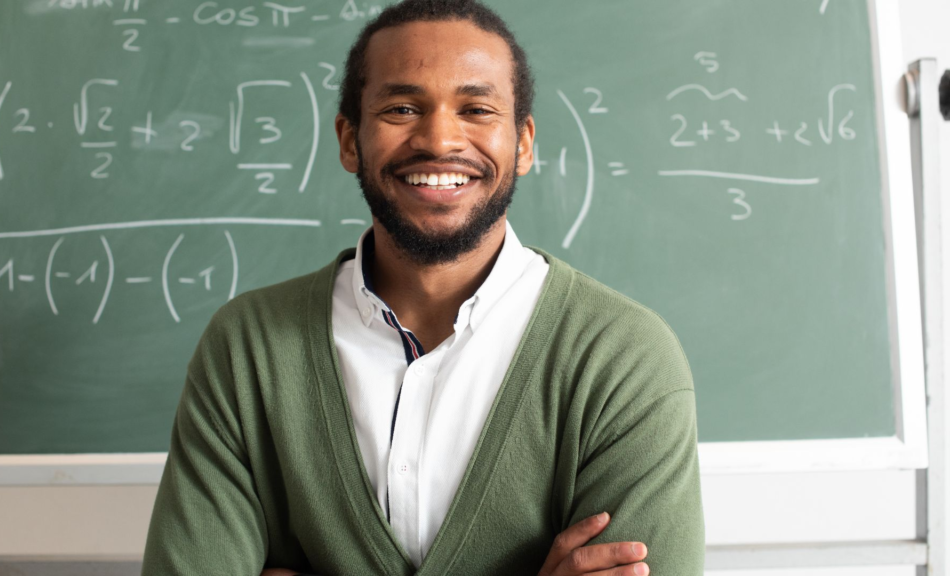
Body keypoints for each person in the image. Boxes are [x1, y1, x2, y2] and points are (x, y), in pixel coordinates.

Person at [141, 0, 705, 574]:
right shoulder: (247, 349)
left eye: (477, 108)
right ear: (349, 140)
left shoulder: (624, 357)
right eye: (402, 107)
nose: (439, 140)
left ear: (524, 144)